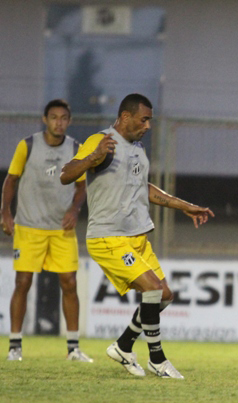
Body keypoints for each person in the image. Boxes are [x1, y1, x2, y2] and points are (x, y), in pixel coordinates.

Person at [60, 93, 214, 379]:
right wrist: (93, 158)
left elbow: (145, 188)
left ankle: (123, 345)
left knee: (164, 295)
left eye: (150, 121)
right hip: (109, 236)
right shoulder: (101, 141)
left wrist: (185, 206)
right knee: (152, 289)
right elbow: (66, 174)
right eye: (144, 120)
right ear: (126, 116)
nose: (148, 126)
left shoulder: (138, 148)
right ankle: (158, 359)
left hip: (137, 237)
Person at [1, 99, 92, 363]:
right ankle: (15, 346)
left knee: (70, 283)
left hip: (60, 229)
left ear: (69, 121)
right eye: (54, 117)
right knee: (23, 283)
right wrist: (5, 212)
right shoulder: (27, 145)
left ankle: (73, 348)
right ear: (45, 120)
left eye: (64, 118)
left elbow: (82, 186)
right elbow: (11, 179)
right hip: (29, 226)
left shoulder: (76, 148)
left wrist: (75, 210)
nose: (59, 122)